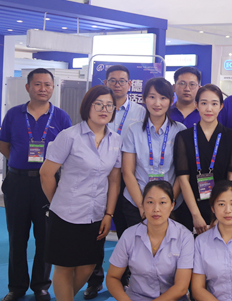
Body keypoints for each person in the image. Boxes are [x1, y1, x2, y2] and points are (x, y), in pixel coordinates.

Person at [39, 85, 122, 301]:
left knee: (88, 267)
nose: (104, 109)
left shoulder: (116, 140)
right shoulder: (69, 136)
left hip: (95, 214)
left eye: (109, 106)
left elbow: (114, 180)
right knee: (64, 268)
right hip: (66, 214)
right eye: (99, 104)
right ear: (87, 106)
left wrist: (109, 214)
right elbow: (46, 174)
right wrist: (57, 202)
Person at [0, 68, 72, 301]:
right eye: (37, 84)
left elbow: (69, 151)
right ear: (28, 87)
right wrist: (22, 164)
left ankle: (41, 285)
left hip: (48, 183)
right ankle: (16, 287)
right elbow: (4, 146)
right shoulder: (13, 114)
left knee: (45, 237)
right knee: (17, 237)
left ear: (53, 88)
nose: (43, 89)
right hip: (17, 182)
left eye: (47, 84)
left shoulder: (61, 117)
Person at [85, 64, 146, 300]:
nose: (117, 84)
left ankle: (126, 278)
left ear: (130, 85)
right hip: (100, 179)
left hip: (128, 181)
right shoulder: (98, 109)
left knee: (128, 233)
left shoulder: (141, 112)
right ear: (105, 83)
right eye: (112, 80)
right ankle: (94, 280)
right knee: (97, 233)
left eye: (122, 81)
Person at [106, 181, 194, 301]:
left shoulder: (184, 237)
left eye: (162, 202)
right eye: (150, 202)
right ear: (142, 204)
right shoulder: (129, 235)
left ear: (172, 205)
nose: (156, 209)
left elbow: (181, 287)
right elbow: (112, 277)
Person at [175, 84, 232, 233]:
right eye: (204, 103)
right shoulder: (184, 137)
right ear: (196, 105)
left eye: (214, 104)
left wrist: (220, 214)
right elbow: (183, 179)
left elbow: (231, 180)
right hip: (191, 209)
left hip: (223, 210)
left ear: (221, 106)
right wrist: (196, 215)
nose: (209, 109)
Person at [121, 78, 186, 228]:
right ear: (144, 99)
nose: (157, 103)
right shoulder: (133, 130)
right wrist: (142, 206)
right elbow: (128, 172)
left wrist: (168, 204)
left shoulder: (180, 130)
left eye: (163, 98)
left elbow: (181, 173)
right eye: (152, 97)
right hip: (136, 203)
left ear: (171, 101)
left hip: (171, 205)